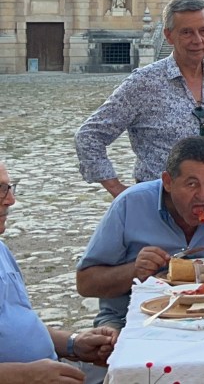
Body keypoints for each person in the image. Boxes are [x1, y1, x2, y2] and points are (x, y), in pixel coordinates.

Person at [76, 137, 204, 330]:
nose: (203, 195)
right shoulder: (129, 204)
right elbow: (85, 284)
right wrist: (135, 270)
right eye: (192, 184)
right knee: (105, 342)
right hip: (130, 317)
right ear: (168, 182)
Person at [75, 0, 204, 197]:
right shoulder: (144, 82)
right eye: (187, 32)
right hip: (161, 206)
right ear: (168, 35)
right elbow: (89, 135)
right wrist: (120, 192)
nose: (197, 40)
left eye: (203, 31)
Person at [0, 162, 118, 383]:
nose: (11, 200)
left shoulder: (1, 249)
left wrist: (74, 343)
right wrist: (24, 376)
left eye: (8, 188)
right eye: (0, 190)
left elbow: (18, 325)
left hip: (52, 368)